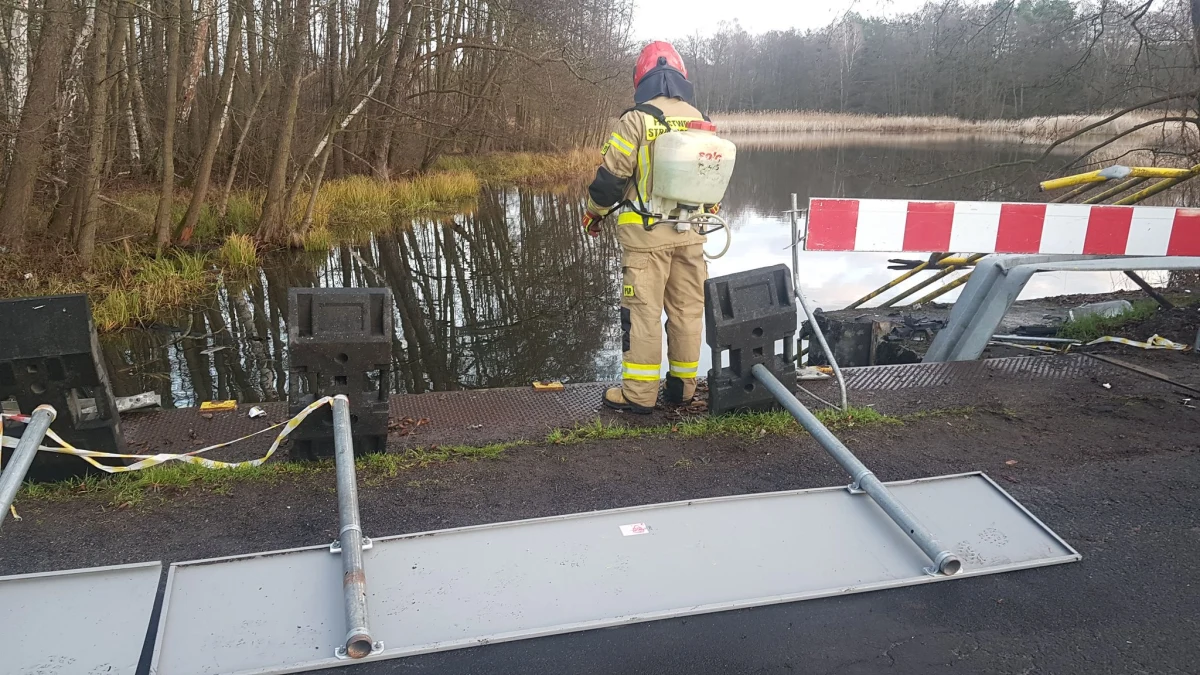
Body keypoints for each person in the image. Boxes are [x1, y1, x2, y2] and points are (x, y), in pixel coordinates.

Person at [583, 41, 715, 414]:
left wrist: (593, 214)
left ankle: (638, 396)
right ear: (681, 78)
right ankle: (682, 389)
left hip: (646, 238)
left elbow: (609, 181)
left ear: (642, 79)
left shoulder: (637, 119)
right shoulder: (699, 118)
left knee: (642, 313)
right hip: (691, 235)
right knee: (687, 310)